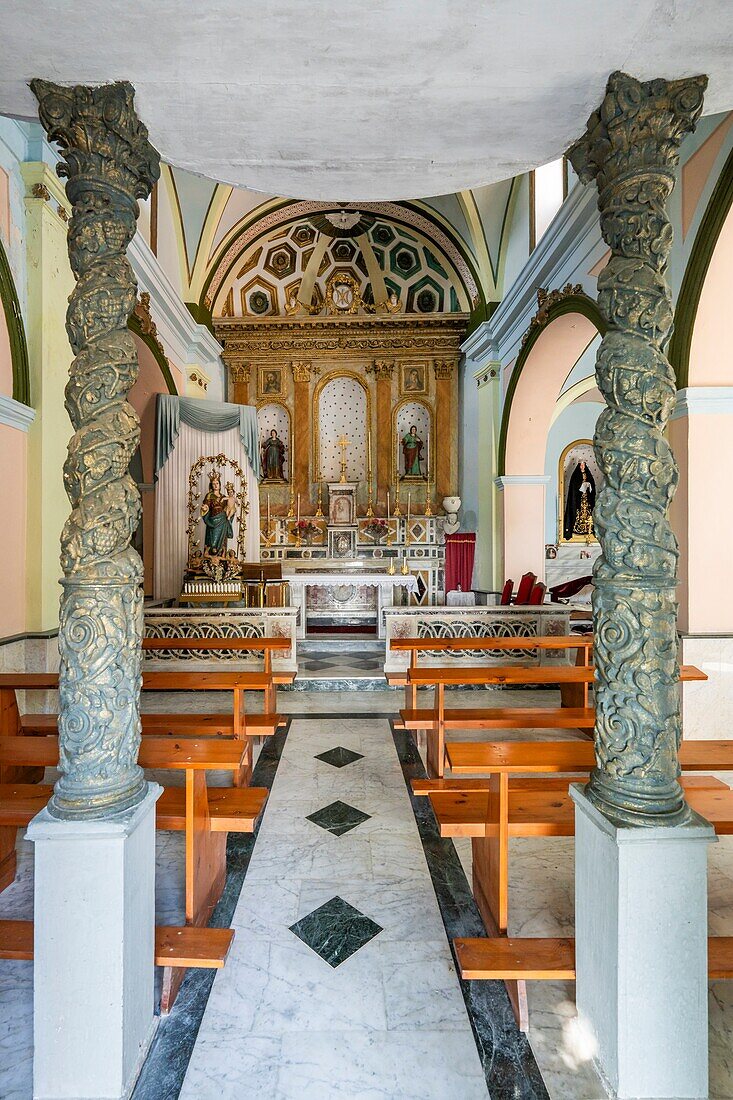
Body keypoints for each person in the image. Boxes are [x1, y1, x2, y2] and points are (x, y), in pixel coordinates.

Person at [201, 472, 235, 555]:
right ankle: (210, 556)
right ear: (211, 485)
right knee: (212, 540)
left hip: (223, 520)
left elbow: (229, 506)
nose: (215, 485)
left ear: (219, 484)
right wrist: (205, 508)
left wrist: (232, 510)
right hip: (213, 520)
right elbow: (206, 505)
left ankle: (221, 555)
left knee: (222, 540)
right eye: (213, 484)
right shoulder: (209, 495)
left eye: (217, 483)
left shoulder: (224, 496)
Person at [563, 459, 596, 540]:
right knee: (579, 512)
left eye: (583, 465)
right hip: (578, 499)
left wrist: (589, 485)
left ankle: (589, 529)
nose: (582, 466)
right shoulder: (576, 475)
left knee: (588, 511)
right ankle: (577, 528)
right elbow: (574, 486)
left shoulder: (588, 474)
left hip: (587, 497)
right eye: (581, 465)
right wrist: (581, 485)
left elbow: (592, 484)